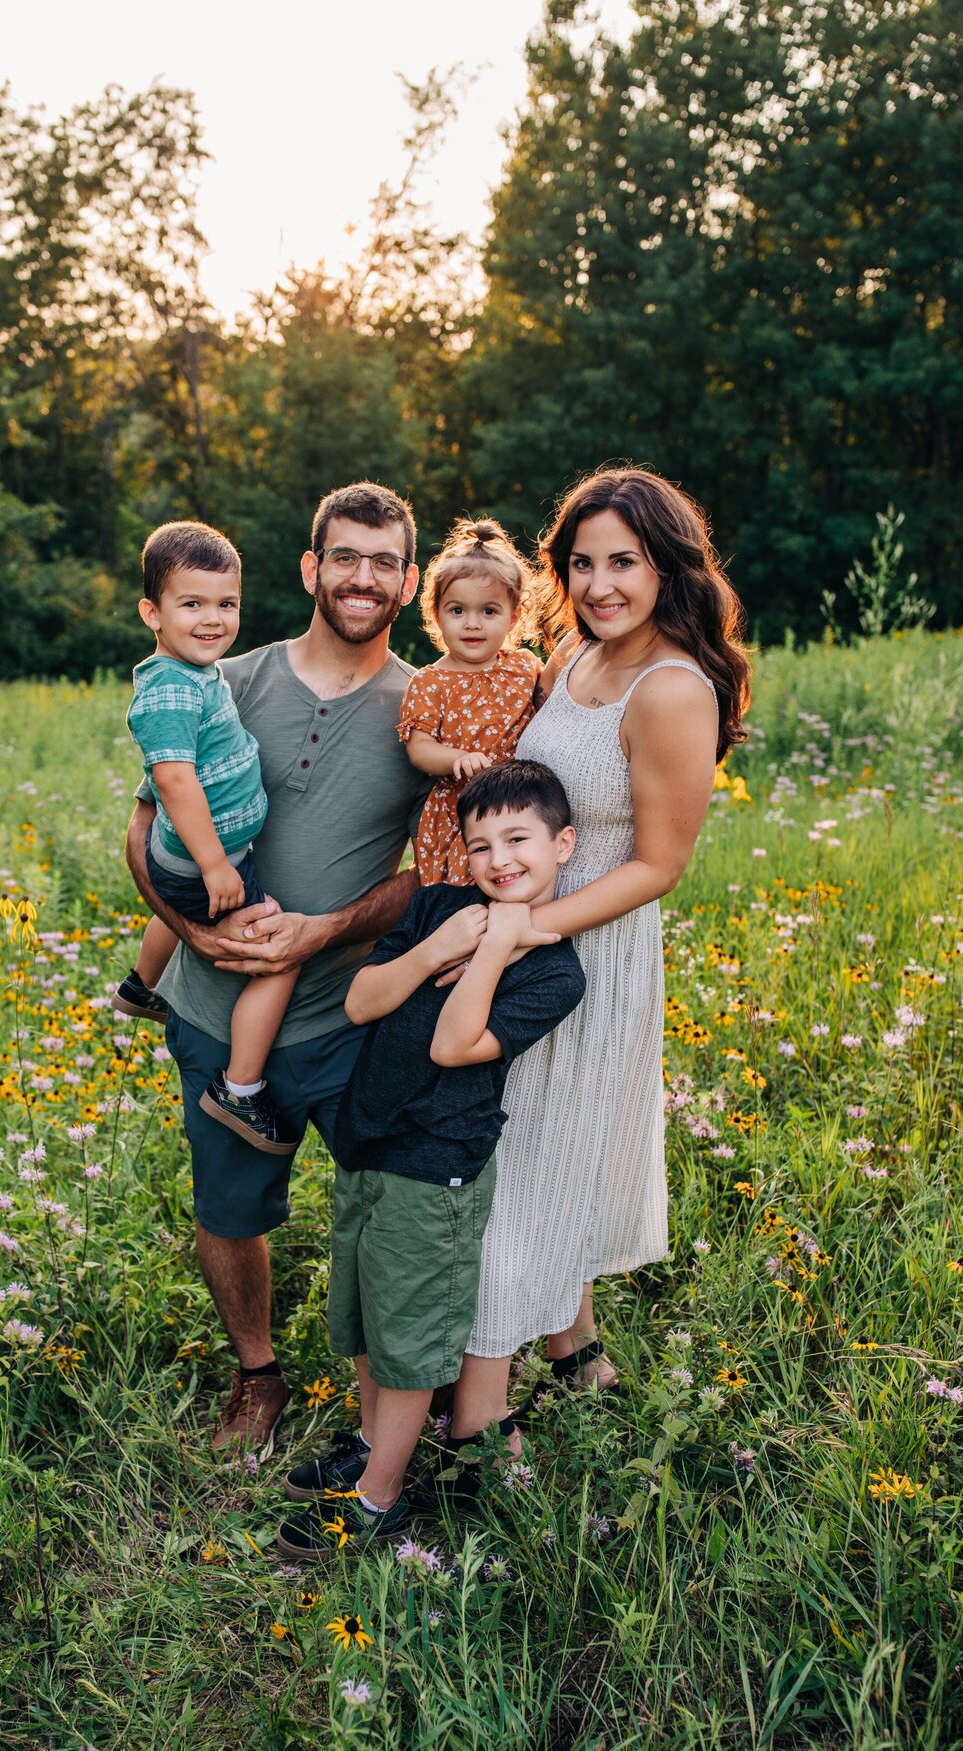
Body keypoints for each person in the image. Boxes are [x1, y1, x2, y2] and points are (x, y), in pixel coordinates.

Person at [449, 465, 752, 1456]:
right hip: (528, 947)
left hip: (589, 955)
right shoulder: (579, 655)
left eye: (623, 562)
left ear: (668, 565)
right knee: (527, 1158)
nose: (599, 584)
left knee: (527, 1171)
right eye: (581, 563)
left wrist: (530, 928)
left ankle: (481, 1428)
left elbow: (661, 864)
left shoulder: (673, 688)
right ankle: (571, 1337)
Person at [125, 483, 433, 1449]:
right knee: (230, 1203)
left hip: (347, 1013)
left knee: (386, 1201)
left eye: (384, 562)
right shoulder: (226, 678)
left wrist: (324, 928)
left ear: (410, 582)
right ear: (311, 568)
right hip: (215, 1006)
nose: (362, 577)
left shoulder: (422, 706)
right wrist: (197, 931)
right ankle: (257, 1372)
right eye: (345, 556)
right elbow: (143, 828)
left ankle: (384, 1398)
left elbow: (434, 871)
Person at [275, 762, 586, 1557]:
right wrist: (442, 943)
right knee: (363, 1318)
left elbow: (455, 1045)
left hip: (436, 1161)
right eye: (479, 845)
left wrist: (498, 943)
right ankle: (375, 1444)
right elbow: (360, 1000)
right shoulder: (436, 907)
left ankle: (380, 1499)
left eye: (518, 839)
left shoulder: (555, 969)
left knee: (409, 1341)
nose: (498, 860)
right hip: (366, 1136)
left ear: (564, 845)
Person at [116, 521, 298, 1154]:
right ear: (152, 613)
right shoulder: (168, 686)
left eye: (226, 604)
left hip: (191, 860)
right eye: (191, 604)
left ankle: (140, 987)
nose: (212, 619)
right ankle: (239, 1090)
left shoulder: (196, 671)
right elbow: (173, 781)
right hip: (202, 865)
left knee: (180, 896)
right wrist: (217, 865)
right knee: (279, 956)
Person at [398, 518, 541, 885]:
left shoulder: (525, 668)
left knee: (524, 889)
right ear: (436, 614)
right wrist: (457, 759)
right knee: (464, 900)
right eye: (457, 610)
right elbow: (420, 748)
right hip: (462, 811)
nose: (472, 624)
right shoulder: (431, 681)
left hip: (524, 805)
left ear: (514, 617)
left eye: (488, 611)